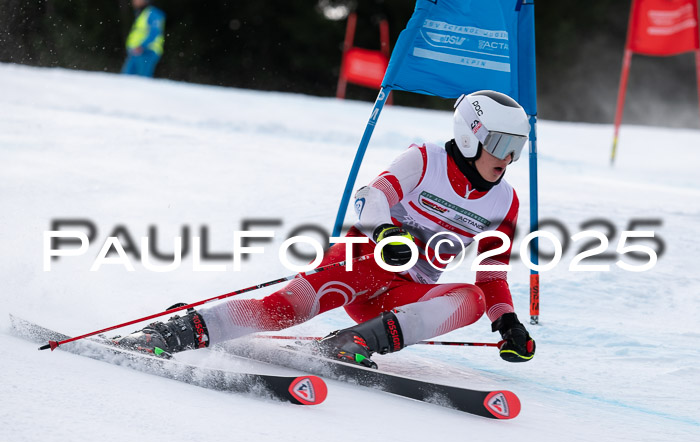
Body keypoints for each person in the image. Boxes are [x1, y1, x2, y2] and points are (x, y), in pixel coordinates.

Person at [115, 90, 536, 368]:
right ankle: (174, 331)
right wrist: (387, 234)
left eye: (517, 147)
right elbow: (369, 198)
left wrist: (508, 322)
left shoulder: (506, 201)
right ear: (470, 137)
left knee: (473, 299)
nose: (509, 158)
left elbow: (492, 274)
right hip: (362, 263)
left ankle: (356, 342)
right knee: (285, 310)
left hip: (399, 299)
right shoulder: (425, 159)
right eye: (501, 144)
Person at [121, 0, 165, 77]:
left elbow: (155, 32)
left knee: (142, 80)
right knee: (126, 79)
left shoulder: (152, 13)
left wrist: (142, 46)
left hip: (147, 51)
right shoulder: (143, 13)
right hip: (136, 51)